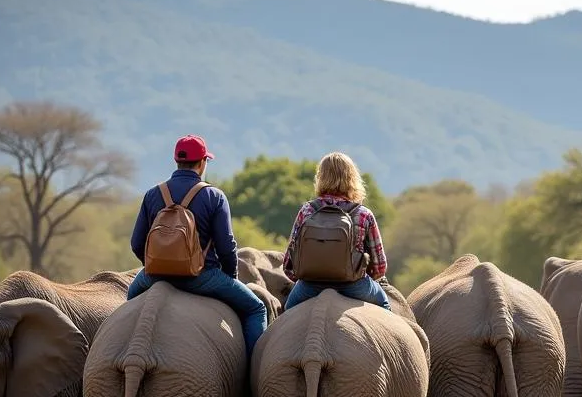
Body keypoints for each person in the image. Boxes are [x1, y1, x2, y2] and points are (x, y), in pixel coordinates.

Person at [128, 135, 267, 357]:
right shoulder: (214, 196)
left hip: (154, 276)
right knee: (256, 309)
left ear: (176, 161)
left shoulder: (153, 194)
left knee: (128, 304)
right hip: (202, 277)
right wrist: (230, 277)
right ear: (202, 163)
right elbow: (226, 247)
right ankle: (254, 376)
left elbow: (136, 243)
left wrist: (156, 266)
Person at [283, 151, 392, 311]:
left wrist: (305, 278)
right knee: (385, 305)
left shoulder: (306, 211)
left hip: (310, 287)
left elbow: (288, 264)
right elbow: (380, 267)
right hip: (354, 286)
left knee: (286, 314)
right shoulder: (363, 214)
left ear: (320, 178)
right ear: (352, 178)